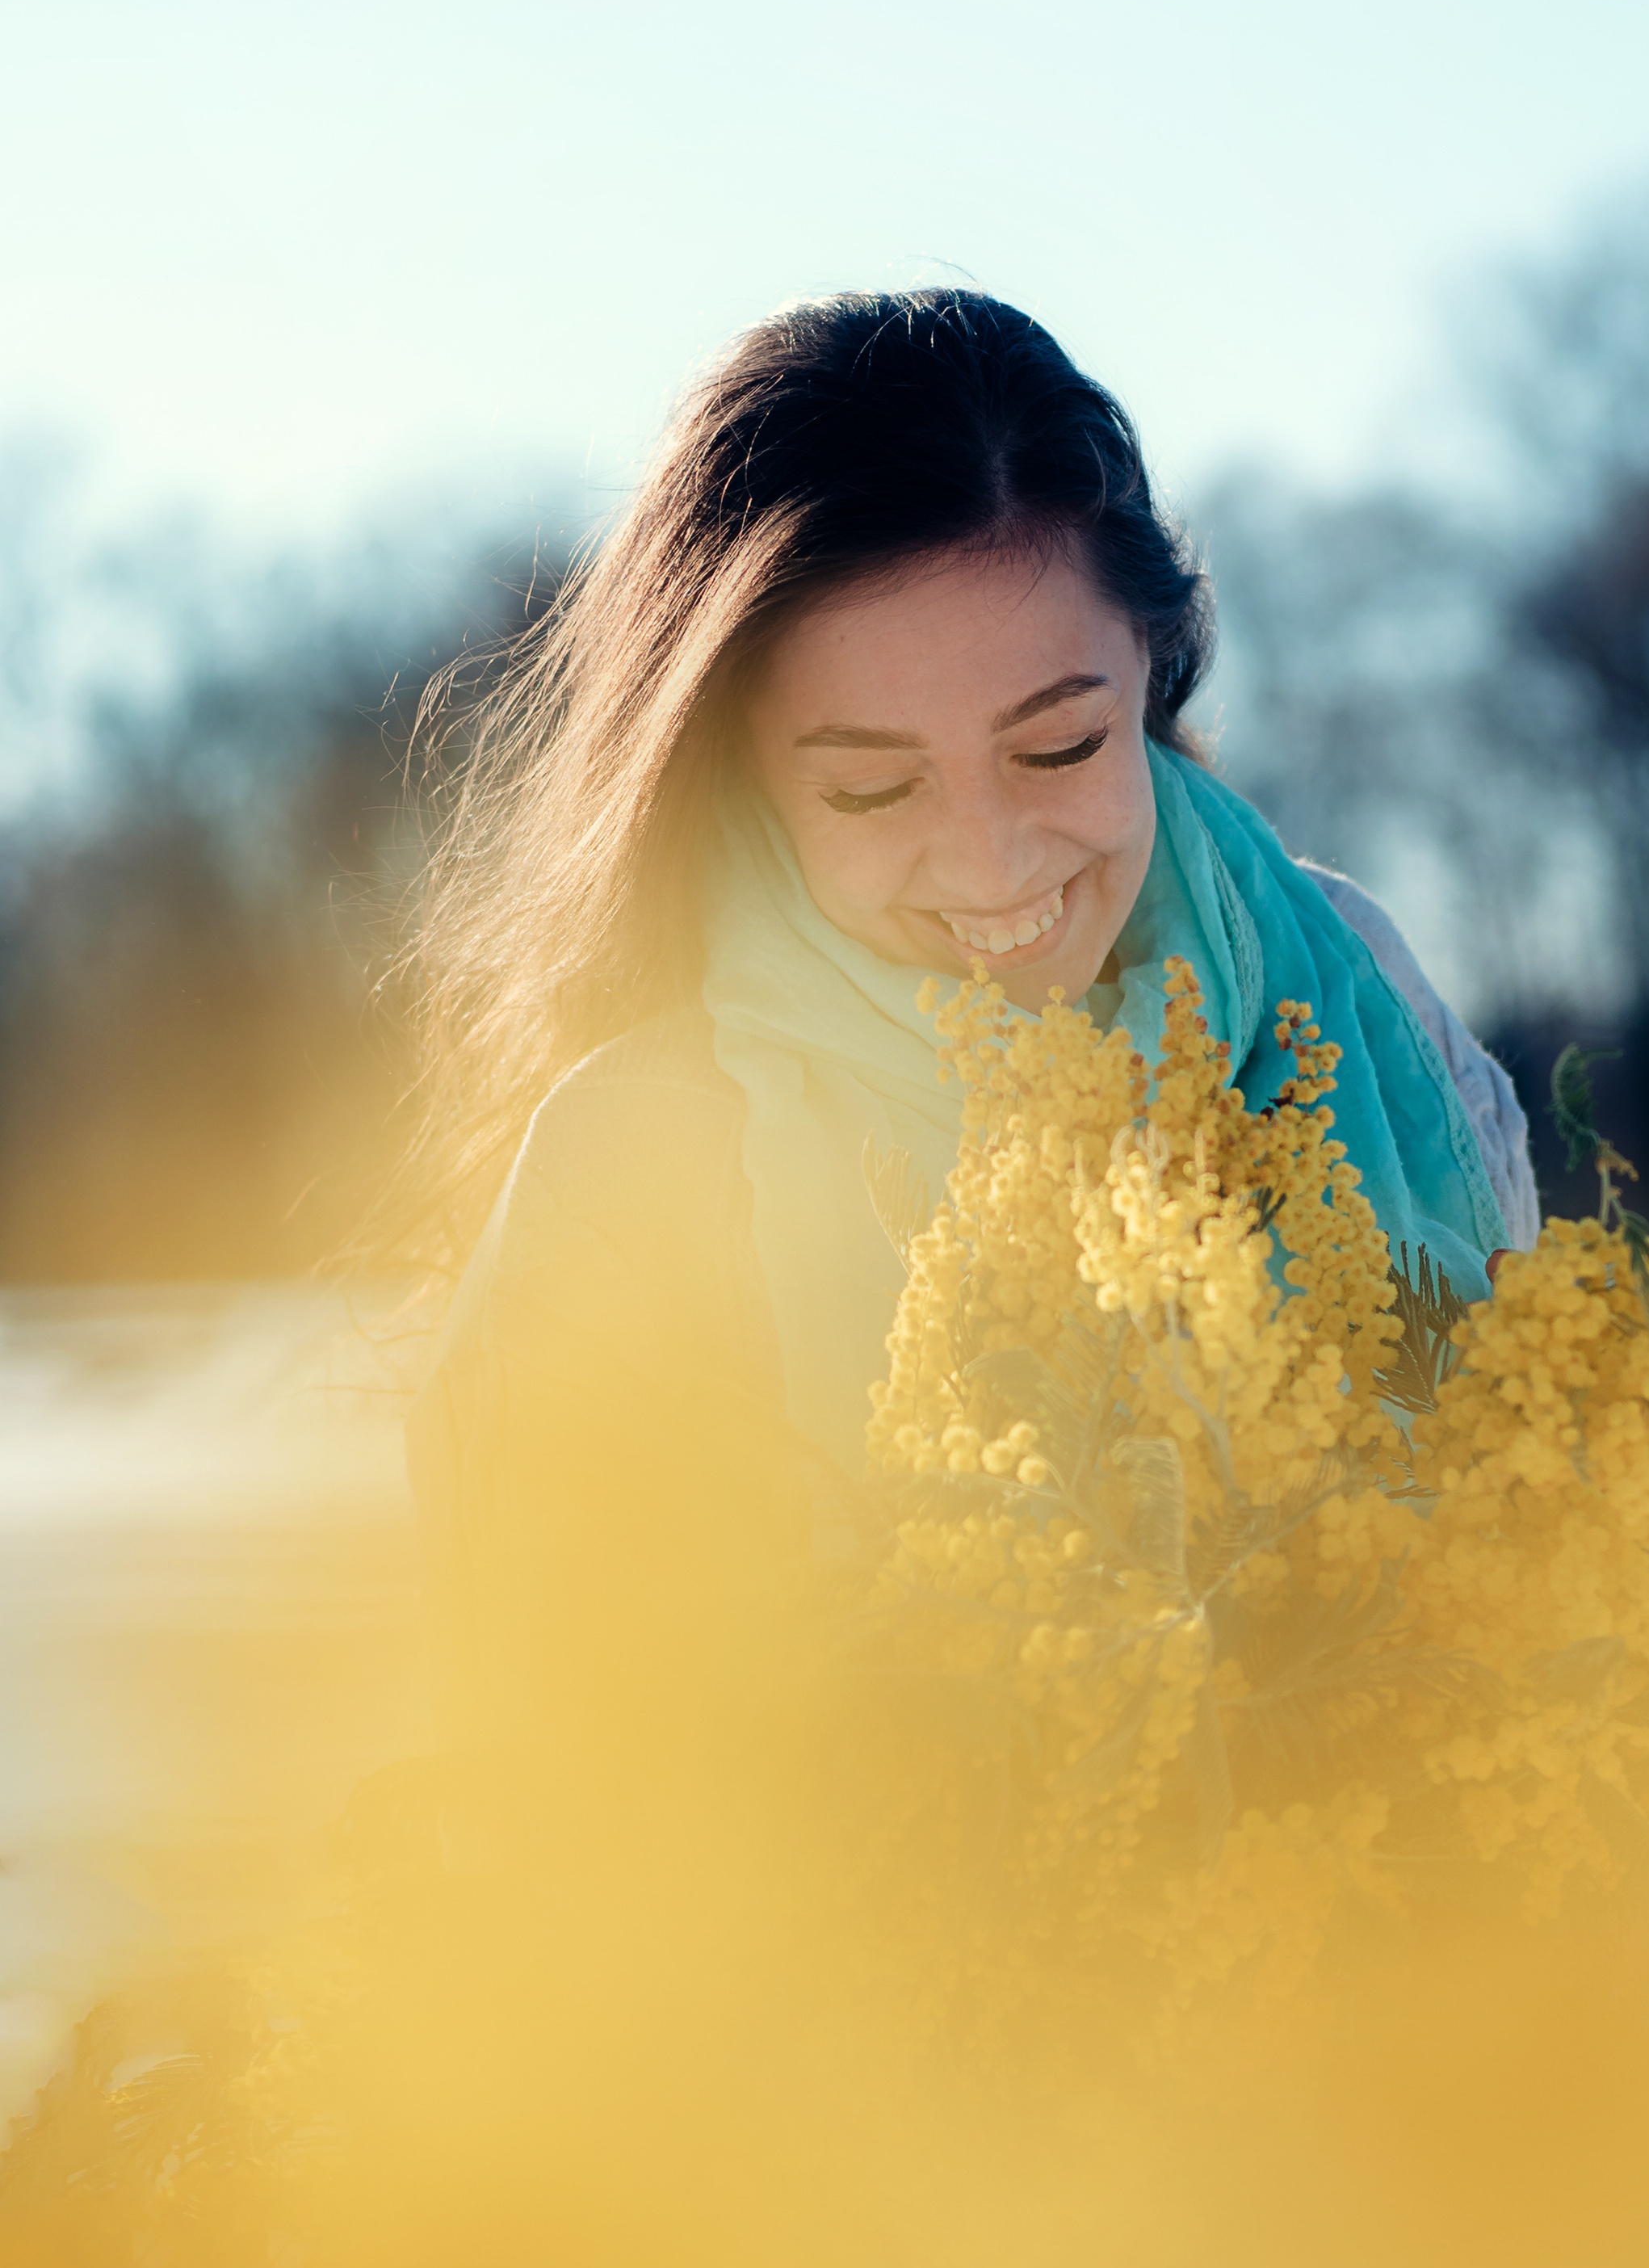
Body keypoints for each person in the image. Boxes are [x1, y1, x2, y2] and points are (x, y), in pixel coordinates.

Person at [405, 289, 1534, 1651]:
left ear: (1153, 665)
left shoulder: (1357, 987)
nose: (994, 864)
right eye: (875, 789)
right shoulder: (637, 1159)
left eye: (1059, 746)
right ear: (737, 767)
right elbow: (555, 1731)